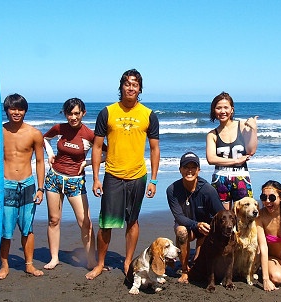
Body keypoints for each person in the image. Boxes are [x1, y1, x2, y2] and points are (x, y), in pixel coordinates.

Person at [88, 68, 160, 279]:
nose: (131, 87)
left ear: (140, 89)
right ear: (121, 87)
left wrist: (153, 180)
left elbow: (155, 148)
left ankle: (128, 261)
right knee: (106, 223)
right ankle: (100, 263)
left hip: (138, 176)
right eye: (127, 83)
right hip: (113, 175)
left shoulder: (148, 115)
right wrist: (95, 178)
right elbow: (97, 147)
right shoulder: (107, 112)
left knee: (133, 221)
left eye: (135, 84)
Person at [42, 98, 105, 274]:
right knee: (54, 220)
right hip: (54, 178)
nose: (73, 117)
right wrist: (50, 154)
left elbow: (106, 154)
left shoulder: (89, 135)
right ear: (65, 114)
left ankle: (91, 260)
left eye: (77, 113)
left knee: (85, 223)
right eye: (69, 113)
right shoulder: (59, 129)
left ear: (83, 113)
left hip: (75, 182)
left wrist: (86, 164)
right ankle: (54, 258)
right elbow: (44, 138)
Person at [0, 93, 45, 279]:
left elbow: (40, 162)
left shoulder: (34, 134)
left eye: (20, 108)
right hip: (5, 184)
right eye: (13, 108)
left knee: (27, 227)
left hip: (27, 185)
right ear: (6, 110)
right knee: (5, 229)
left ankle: (29, 265)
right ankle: (4, 266)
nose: (16, 112)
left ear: (25, 110)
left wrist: (40, 189)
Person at [166, 151, 224, 283]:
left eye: (193, 167)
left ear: (198, 170)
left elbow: (221, 214)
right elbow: (179, 216)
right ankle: (185, 270)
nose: (189, 171)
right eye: (186, 167)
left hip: (206, 228)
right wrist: (196, 225)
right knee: (181, 231)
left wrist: (213, 230)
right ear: (180, 169)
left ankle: (199, 256)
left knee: (199, 263)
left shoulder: (208, 190)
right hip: (188, 227)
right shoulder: (172, 190)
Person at [206, 91, 258, 210]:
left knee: (245, 216)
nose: (222, 111)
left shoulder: (242, 126)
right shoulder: (212, 134)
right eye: (218, 108)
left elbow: (251, 150)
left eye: (226, 107)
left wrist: (254, 129)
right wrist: (236, 160)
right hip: (220, 178)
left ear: (232, 109)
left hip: (241, 176)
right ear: (214, 110)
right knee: (223, 217)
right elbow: (211, 159)